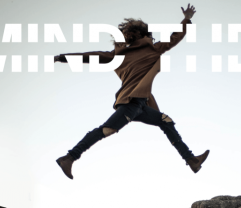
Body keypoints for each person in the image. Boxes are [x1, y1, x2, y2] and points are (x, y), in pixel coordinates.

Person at [54, 4, 209, 179]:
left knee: (166, 121)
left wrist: (62, 57)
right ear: (144, 35)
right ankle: (69, 157)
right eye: (150, 35)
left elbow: (91, 56)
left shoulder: (117, 56)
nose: (153, 37)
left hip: (141, 104)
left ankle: (191, 160)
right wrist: (187, 19)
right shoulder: (152, 49)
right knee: (107, 129)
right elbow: (175, 37)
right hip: (131, 102)